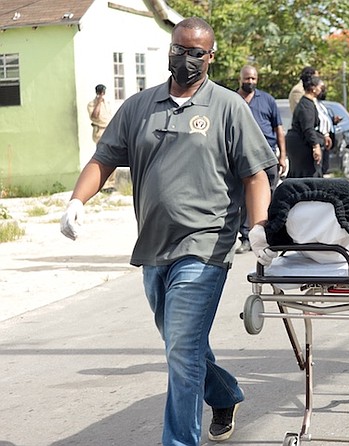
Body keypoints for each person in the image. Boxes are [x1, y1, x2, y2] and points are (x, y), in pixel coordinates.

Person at [60, 17, 278, 446]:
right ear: (170, 50)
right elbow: (103, 159)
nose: (187, 58)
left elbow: (256, 175)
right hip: (153, 247)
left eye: (197, 52)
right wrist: (76, 201)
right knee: (182, 341)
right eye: (180, 49)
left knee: (180, 349)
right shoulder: (141, 106)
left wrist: (258, 227)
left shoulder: (228, 107)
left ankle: (179, 440)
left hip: (205, 245)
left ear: (211, 57)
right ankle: (225, 393)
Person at [235, 64, 287, 253]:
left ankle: (270, 235)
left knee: (270, 197)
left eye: (253, 79)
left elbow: (278, 130)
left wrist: (282, 155)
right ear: (240, 79)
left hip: (267, 155)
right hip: (241, 156)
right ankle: (246, 236)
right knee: (243, 198)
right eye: (247, 78)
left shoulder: (267, 100)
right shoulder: (233, 100)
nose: (250, 82)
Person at [285, 75, 326, 178]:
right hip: (301, 145)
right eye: (321, 88)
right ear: (313, 88)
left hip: (301, 143)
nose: (322, 90)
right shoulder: (306, 106)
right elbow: (308, 128)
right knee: (308, 176)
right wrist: (315, 146)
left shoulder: (308, 103)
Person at [86, 84, 115, 193]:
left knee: (113, 156)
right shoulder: (92, 104)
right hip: (100, 130)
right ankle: (104, 185)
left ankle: (111, 183)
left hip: (109, 129)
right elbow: (94, 116)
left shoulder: (107, 103)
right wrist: (98, 101)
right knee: (104, 156)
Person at [314, 77, 334, 174]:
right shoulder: (311, 104)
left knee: (324, 167)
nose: (323, 90)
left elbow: (324, 120)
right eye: (321, 87)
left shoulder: (320, 104)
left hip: (324, 138)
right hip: (317, 139)